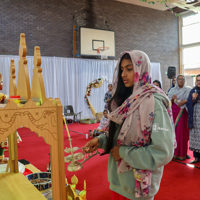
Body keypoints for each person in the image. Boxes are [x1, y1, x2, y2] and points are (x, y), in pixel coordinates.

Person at [83, 50, 175, 200]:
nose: (123, 74)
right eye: (122, 70)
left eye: (129, 69)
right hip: (118, 183)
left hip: (137, 188)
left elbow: (163, 152)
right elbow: (121, 137)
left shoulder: (153, 103)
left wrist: (125, 153)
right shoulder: (126, 101)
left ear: (141, 69)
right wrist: (101, 141)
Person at [168, 75, 191, 161]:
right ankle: (174, 153)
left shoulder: (188, 90)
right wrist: (172, 99)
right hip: (174, 113)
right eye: (179, 79)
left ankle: (182, 154)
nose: (181, 81)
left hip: (183, 113)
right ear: (176, 81)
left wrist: (184, 101)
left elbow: (191, 100)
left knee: (183, 133)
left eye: (182, 79)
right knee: (175, 133)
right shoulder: (172, 90)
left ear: (185, 80)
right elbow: (167, 103)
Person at [186, 74, 200, 164]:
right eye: (198, 80)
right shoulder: (193, 90)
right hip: (195, 118)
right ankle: (196, 157)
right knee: (195, 137)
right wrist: (194, 99)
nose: (199, 82)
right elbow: (188, 103)